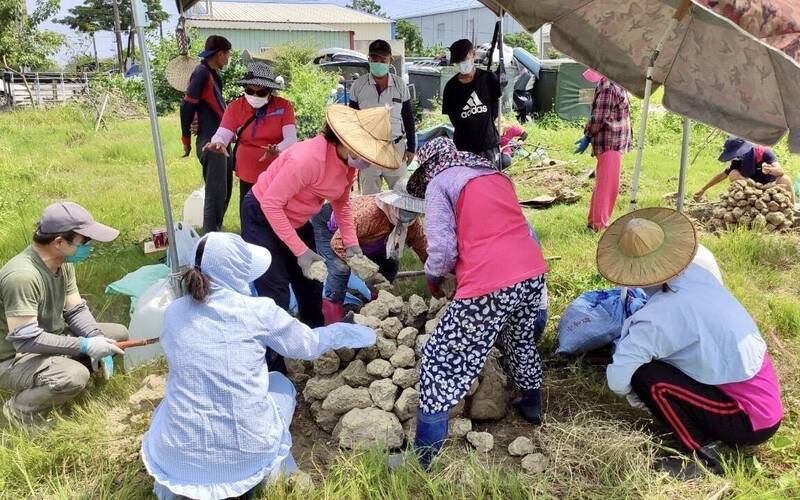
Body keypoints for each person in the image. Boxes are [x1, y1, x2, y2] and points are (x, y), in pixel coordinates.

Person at [141, 232, 376, 500]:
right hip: (245, 456)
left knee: (171, 403)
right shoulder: (259, 311)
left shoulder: (174, 312)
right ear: (237, 272)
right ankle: (273, 473)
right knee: (281, 385)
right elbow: (308, 345)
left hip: (178, 459)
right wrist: (347, 332)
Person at [598, 208, 783, 478]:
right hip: (761, 393)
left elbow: (617, 379)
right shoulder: (701, 269)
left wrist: (637, 395)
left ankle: (706, 453)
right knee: (657, 362)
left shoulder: (657, 318)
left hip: (749, 418)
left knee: (648, 376)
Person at [406, 137, 549, 468]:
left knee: (439, 359)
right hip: (531, 271)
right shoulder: (494, 175)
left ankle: (425, 456)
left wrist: (432, 276)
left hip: (491, 280)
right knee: (518, 339)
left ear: (428, 168)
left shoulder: (440, 182)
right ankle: (532, 406)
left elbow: (442, 249)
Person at [240, 105, 401, 336]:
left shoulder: (347, 165)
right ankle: (274, 360)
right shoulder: (307, 160)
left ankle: (313, 345)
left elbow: (342, 203)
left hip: (296, 219)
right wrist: (300, 252)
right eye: (366, 154)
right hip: (262, 216)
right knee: (275, 292)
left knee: (311, 286)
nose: (368, 162)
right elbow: (271, 205)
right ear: (347, 143)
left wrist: (352, 244)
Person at [0, 202, 128, 426]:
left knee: (118, 335)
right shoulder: (22, 277)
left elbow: (75, 308)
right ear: (59, 242)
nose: (89, 246)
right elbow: (26, 340)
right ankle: (18, 411)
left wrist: (96, 337)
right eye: (84, 242)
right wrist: (85, 346)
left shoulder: (62, 262)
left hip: (49, 335)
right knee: (73, 376)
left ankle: (78, 372)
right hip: (13, 357)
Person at [311, 179, 428, 324]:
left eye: (413, 211)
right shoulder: (371, 214)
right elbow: (339, 243)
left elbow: (423, 247)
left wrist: (437, 275)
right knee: (340, 268)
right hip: (330, 228)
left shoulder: (411, 224)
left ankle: (376, 303)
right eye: (405, 208)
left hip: (366, 239)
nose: (409, 214)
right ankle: (332, 314)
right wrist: (369, 271)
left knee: (390, 263)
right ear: (395, 203)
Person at [204, 61, 297, 206]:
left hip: (277, 168)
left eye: (260, 93)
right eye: (249, 91)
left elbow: (291, 138)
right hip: (248, 170)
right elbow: (224, 132)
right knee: (249, 208)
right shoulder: (235, 107)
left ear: (270, 91)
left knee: (276, 209)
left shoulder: (284, 106)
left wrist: (278, 149)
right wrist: (217, 142)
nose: (254, 96)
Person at [180, 35, 233, 233]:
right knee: (216, 193)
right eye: (227, 54)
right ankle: (210, 239)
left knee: (225, 191)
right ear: (220, 54)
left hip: (222, 139)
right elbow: (187, 105)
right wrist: (186, 139)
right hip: (211, 142)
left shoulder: (213, 74)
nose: (228, 59)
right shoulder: (201, 72)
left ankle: (216, 232)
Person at [349, 39, 416, 194]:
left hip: (395, 148)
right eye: (375, 60)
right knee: (369, 199)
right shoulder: (358, 86)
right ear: (369, 59)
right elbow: (351, 120)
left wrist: (411, 147)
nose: (379, 63)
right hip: (368, 150)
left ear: (390, 59)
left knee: (402, 198)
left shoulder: (400, 85)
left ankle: (397, 219)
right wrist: (353, 149)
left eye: (383, 60)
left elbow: (408, 117)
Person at [575, 69, 632, 231]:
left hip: (611, 141)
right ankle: (598, 225)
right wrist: (588, 135)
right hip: (611, 141)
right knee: (607, 186)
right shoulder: (609, 84)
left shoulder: (612, 83)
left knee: (604, 184)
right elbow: (599, 116)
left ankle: (595, 221)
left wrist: (588, 136)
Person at [442, 39, 502, 163]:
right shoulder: (451, 88)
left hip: (489, 145)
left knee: (490, 180)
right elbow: (454, 119)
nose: (461, 64)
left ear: (473, 54)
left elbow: (495, 109)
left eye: (464, 59)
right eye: (458, 62)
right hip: (464, 148)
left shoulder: (489, 79)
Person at [694, 137, 794, 203]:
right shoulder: (738, 160)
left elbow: (780, 171)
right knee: (733, 173)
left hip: (770, 186)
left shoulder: (763, 152)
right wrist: (704, 189)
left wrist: (771, 169)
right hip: (752, 189)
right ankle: (751, 201)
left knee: (785, 179)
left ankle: (792, 208)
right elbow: (722, 175)